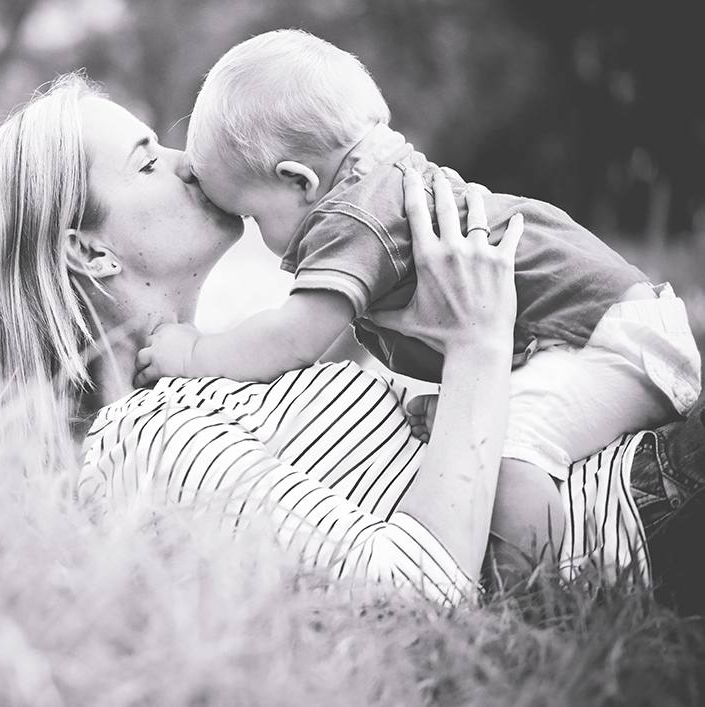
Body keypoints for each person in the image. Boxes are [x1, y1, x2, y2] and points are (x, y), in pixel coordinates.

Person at [0, 74, 705, 608]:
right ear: (88, 250)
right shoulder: (149, 436)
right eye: (146, 162)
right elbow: (417, 588)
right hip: (643, 508)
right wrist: (478, 341)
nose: (186, 163)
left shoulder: (223, 368)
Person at [136, 29, 702, 574]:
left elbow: (293, 337)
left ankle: (546, 598)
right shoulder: (384, 187)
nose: (260, 238)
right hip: (606, 329)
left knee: (506, 456)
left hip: (599, 338)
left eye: (255, 216)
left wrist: (192, 354)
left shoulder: (352, 215)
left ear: (300, 181)